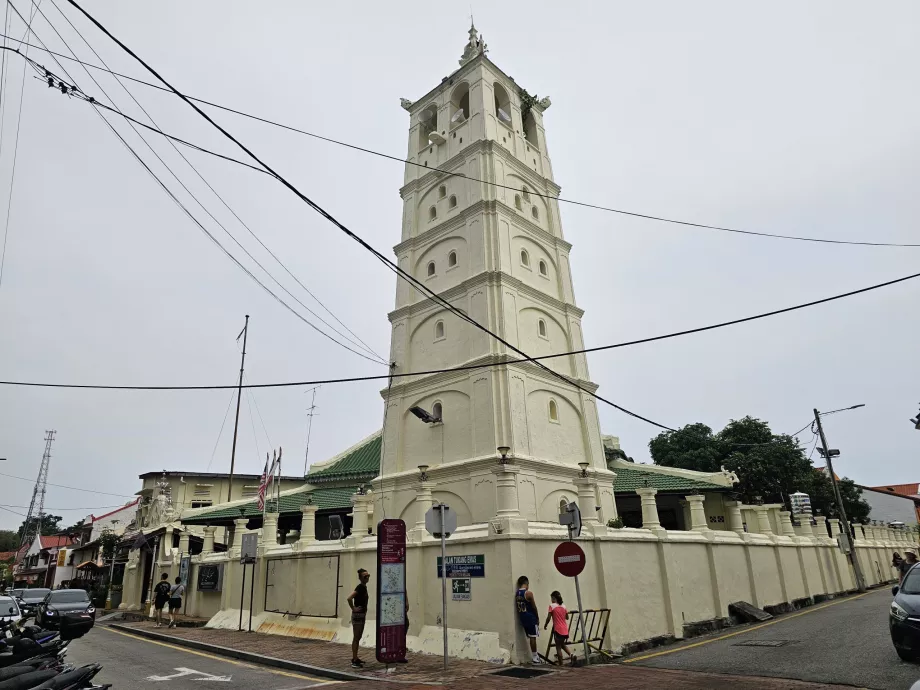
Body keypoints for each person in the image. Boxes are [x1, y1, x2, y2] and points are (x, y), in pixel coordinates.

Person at [515, 575, 544, 664]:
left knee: (530, 636)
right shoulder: (528, 593)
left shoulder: (517, 594)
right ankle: (535, 657)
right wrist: (537, 617)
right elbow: (534, 607)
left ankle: (535, 656)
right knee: (533, 637)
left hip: (522, 617)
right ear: (526, 583)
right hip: (530, 617)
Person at [543, 590, 576, 666]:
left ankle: (561, 664)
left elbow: (548, 618)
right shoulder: (563, 606)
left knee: (558, 647)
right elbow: (567, 617)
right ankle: (571, 655)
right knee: (562, 644)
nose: (551, 600)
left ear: (554, 598)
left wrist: (545, 625)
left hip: (557, 629)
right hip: (565, 630)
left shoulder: (552, 606)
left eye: (551, 598)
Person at [346, 568, 370, 668]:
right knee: (356, 637)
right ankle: (354, 660)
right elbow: (349, 598)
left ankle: (356, 657)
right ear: (360, 578)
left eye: (368, 575)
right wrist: (353, 608)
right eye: (365, 576)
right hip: (358, 616)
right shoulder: (360, 587)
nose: (367, 578)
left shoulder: (363, 587)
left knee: (358, 637)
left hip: (361, 615)